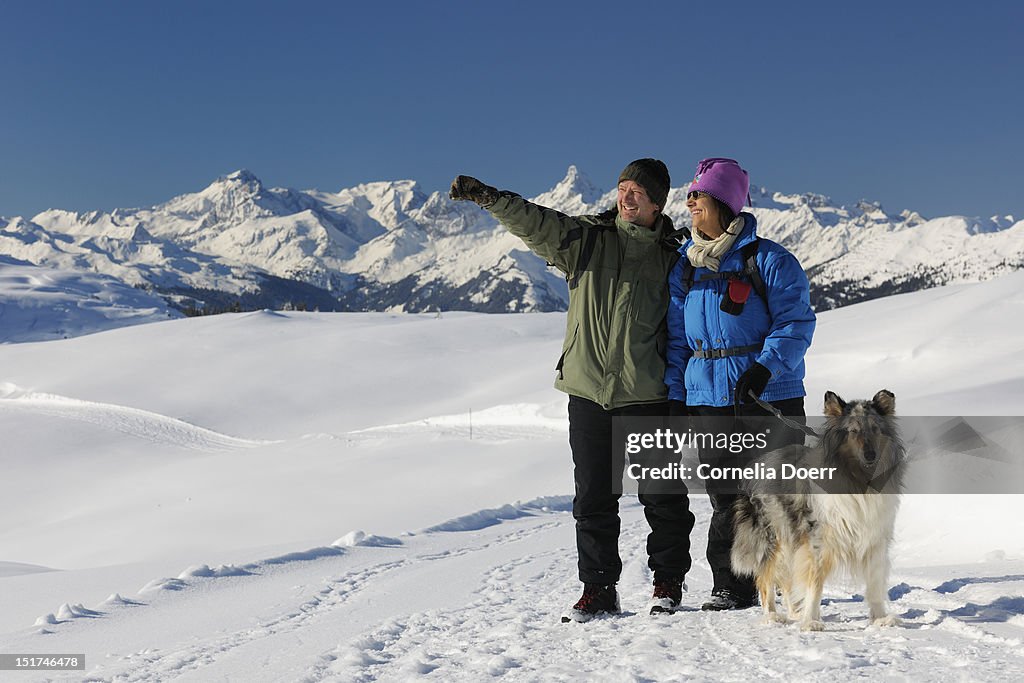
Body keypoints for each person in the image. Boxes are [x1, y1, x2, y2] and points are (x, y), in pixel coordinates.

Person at [449, 160, 695, 622]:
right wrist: (490, 198)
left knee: (663, 497)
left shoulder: (674, 257)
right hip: (588, 393)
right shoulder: (587, 241)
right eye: (622, 188)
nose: (626, 197)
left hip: (648, 397)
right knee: (593, 498)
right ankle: (599, 588)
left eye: (638, 192)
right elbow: (535, 222)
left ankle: (667, 582)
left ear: (657, 203)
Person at [665, 157, 816, 611]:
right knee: (726, 497)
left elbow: (796, 322)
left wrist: (765, 367)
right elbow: (676, 339)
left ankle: (792, 583)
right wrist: (676, 395)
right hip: (708, 398)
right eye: (690, 194)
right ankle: (732, 584)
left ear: (726, 203)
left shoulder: (768, 260)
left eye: (699, 194)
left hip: (767, 396)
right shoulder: (684, 267)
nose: (690, 201)